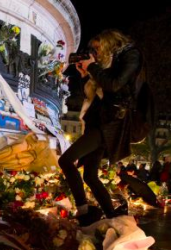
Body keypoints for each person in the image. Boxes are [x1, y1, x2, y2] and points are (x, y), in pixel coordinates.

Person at [59, 29, 143, 226]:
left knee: (66, 160)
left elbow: (113, 85)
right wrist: (85, 74)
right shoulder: (108, 63)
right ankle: (113, 219)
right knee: (90, 175)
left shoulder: (131, 55)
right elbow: (95, 92)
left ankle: (83, 210)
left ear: (108, 43)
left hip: (111, 122)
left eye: (97, 48)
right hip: (97, 120)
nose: (95, 52)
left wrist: (93, 67)